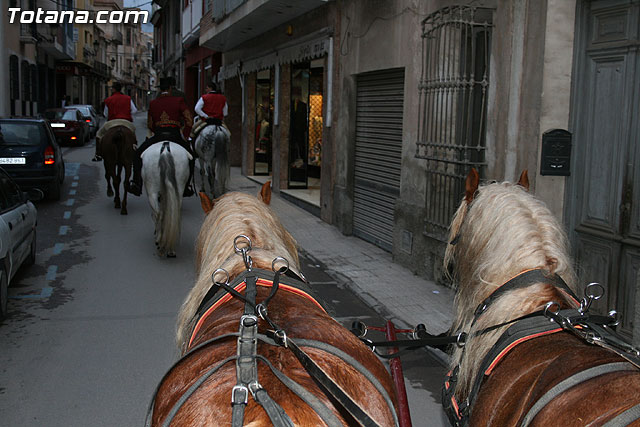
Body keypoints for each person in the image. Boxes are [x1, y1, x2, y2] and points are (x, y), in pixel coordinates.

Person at [128, 78, 195, 197]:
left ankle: (136, 183)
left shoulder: (153, 103)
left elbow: (150, 124)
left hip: (158, 135)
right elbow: (189, 120)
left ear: (160, 89)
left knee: (137, 155)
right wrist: (185, 135)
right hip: (175, 135)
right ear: (170, 89)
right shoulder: (179, 100)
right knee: (191, 158)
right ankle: (187, 186)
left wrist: (157, 130)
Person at [93, 82, 137, 161]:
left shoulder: (108, 100)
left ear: (113, 89)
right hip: (126, 122)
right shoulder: (128, 98)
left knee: (98, 134)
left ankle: (98, 154)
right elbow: (134, 110)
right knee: (133, 136)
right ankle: (134, 150)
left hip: (112, 122)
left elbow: (105, 114)